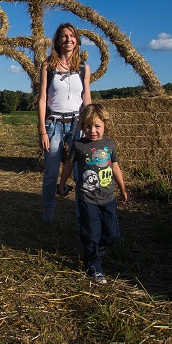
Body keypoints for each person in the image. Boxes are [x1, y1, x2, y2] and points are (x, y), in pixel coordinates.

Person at [57, 103, 129, 285]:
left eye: (97, 126)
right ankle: (93, 265)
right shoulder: (78, 146)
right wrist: (62, 183)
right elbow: (68, 165)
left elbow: (115, 167)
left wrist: (122, 188)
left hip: (108, 199)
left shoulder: (109, 144)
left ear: (106, 125)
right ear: (82, 126)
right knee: (91, 234)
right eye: (88, 126)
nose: (92, 130)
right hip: (86, 199)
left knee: (112, 234)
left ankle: (101, 246)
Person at [37, 22, 91, 223]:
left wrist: (88, 124)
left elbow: (86, 98)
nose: (69, 39)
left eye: (72, 36)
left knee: (80, 172)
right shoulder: (48, 66)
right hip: (54, 125)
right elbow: (42, 99)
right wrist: (42, 131)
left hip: (77, 124)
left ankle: (82, 216)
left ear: (77, 40)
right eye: (64, 36)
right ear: (58, 41)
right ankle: (48, 214)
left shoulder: (83, 68)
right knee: (51, 172)